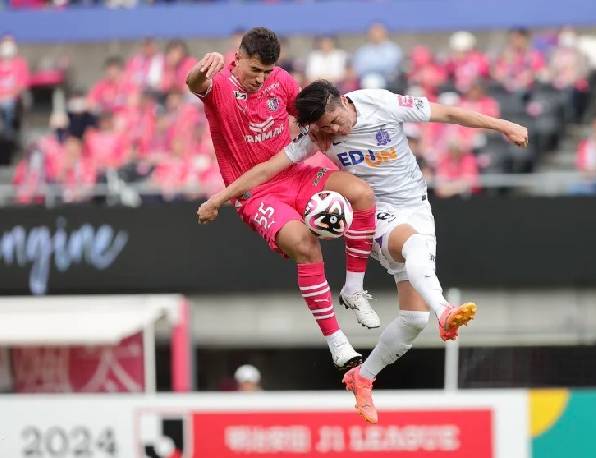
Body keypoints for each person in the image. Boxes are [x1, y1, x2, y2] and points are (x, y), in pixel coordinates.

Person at [205, 79, 528, 423]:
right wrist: (219, 199)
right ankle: (445, 310)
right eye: (324, 126)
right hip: (372, 213)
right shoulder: (316, 137)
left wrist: (504, 126)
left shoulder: (381, 103)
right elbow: (268, 169)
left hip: (417, 206)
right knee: (413, 245)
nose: (333, 129)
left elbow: (446, 113)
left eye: (334, 119)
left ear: (343, 101)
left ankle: (363, 377)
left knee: (413, 321)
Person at [187, 27, 379, 371]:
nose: (260, 79)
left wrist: (326, 129)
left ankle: (353, 288)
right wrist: (201, 70)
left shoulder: (282, 80)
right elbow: (194, 84)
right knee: (304, 243)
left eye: (266, 71)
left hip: (295, 173)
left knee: (361, 193)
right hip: (254, 191)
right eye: (254, 70)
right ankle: (337, 342)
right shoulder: (217, 85)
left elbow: (309, 115)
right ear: (238, 57)